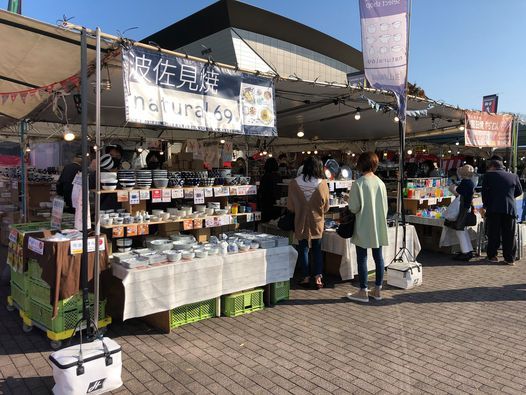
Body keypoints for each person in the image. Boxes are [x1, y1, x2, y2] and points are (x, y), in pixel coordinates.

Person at [347, 152, 388, 303]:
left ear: (360, 164)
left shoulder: (359, 183)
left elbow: (354, 207)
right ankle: (377, 289)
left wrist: (348, 200)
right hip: (378, 224)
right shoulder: (381, 183)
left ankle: (363, 291)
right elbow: (385, 206)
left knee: (362, 258)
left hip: (363, 224)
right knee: (379, 257)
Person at [287, 156, 329, 289]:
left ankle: (305, 277)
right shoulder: (322, 183)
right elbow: (326, 207)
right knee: (317, 250)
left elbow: (290, 207)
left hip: (300, 221)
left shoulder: (294, 183)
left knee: (303, 249)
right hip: (317, 222)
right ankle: (317, 278)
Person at [481, 155, 523, 265]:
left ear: (492, 166)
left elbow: (484, 194)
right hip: (510, 208)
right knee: (509, 234)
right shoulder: (513, 176)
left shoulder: (488, 176)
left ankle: (492, 256)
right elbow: (519, 192)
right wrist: (508, 197)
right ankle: (509, 258)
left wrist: (486, 205)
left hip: (494, 208)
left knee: (493, 233)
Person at [447, 165, 476, 261]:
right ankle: (468, 250)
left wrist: (452, 189)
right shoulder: (471, 183)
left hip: (463, 208)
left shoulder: (464, 183)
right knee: (462, 229)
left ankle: (465, 252)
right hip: (467, 207)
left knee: (459, 229)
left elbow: (458, 194)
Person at [259, 157, 282, 223]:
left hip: (266, 204)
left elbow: (261, 190)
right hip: (277, 204)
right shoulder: (278, 176)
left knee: (266, 223)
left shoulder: (265, 177)